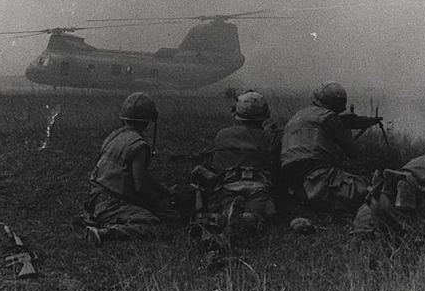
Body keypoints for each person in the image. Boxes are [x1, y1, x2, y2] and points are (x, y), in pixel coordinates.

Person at [190, 91, 281, 251]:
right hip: (257, 186)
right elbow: (274, 167)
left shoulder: (222, 135)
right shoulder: (270, 138)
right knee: (260, 215)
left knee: (226, 207)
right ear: (263, 116)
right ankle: (246, 220)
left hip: (229, 184)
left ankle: (223, 219)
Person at [81, 92, 175, 246]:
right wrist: (158, 207)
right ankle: (105, 233)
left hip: (95, 198)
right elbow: (141, 189)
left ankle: (96, 218)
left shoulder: (114, 136)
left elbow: (142, 175)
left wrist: (164, 191)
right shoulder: (139, 145)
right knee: (158, 226)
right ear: (147, 122)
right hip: (112, 202)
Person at [280, 82, 369, 214]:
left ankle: (304, 198)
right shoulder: (329, 117)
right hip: (317, 172)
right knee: (366, 187)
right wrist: (346, 128)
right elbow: (352, 152)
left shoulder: (296, 116)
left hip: (289, 175)